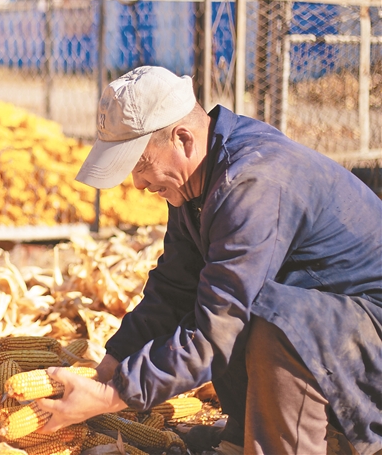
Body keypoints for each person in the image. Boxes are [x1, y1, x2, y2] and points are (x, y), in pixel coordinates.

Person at [36, 66, 382, 454]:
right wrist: (110, 367)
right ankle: (243, 435)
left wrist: (113, 395)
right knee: (226, 299)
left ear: (183, 139)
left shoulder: (251, 183)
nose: (138, 183)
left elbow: (219, 327)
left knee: (272, 318)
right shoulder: (198, 181)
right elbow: (175, 287)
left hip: (370, 338)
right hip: (338, 325)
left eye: (141, 164)